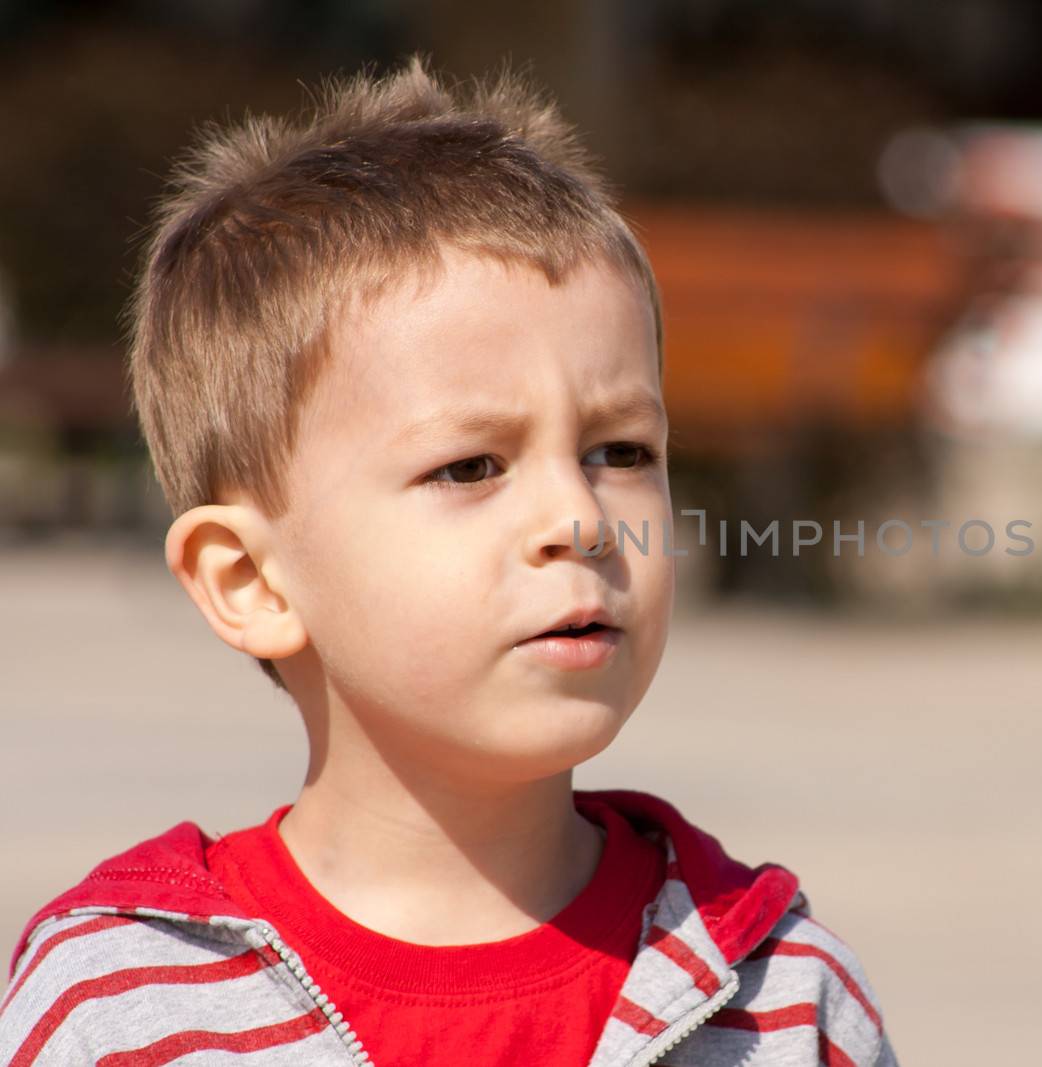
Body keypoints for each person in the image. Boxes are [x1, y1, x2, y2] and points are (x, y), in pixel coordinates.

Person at [0, 55, 896, 1067]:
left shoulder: (779, 997)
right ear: (249, 580)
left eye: (620, 451)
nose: (580, 517)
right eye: (470, 464)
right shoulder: (124, 1008)